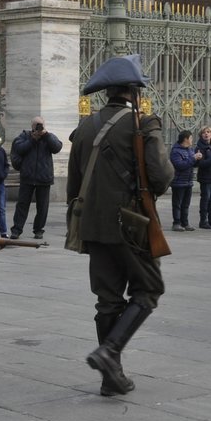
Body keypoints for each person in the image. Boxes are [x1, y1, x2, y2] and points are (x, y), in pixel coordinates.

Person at [66, 54, 172, 397]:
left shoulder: (84, 126)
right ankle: (110, 351)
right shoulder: (143, 123)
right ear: (134, 91)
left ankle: (111, 378)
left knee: (107, 300)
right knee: (149, 289)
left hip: (93, 225)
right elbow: (161, 177)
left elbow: (74, 184)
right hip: (131, 223)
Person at [9, 116, 62, 240]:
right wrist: (32, 140)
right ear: (32, 126)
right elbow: (19, 149)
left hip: (44, 178)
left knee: (42, 207)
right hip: (27, 176)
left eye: (41, 125)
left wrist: (46, 135)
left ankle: (38, 230)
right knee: (22, 204)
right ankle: (16, 229)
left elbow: (57, 148)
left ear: (44, 125)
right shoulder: (24, 136)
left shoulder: (49, 136)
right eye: (36, 125)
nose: (38, 127)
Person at [168, 130, 199, 231]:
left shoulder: (190, 149)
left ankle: (185, 223)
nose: (192, 140)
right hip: (178, 182)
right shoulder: (176, 151)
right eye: (190, 138)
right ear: (186, 139)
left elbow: (191, 164)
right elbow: (180, 165)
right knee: (177, 204)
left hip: (188, 181)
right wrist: (193, 158)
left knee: (186, 204)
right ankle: (176, 223)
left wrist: (198, 159)